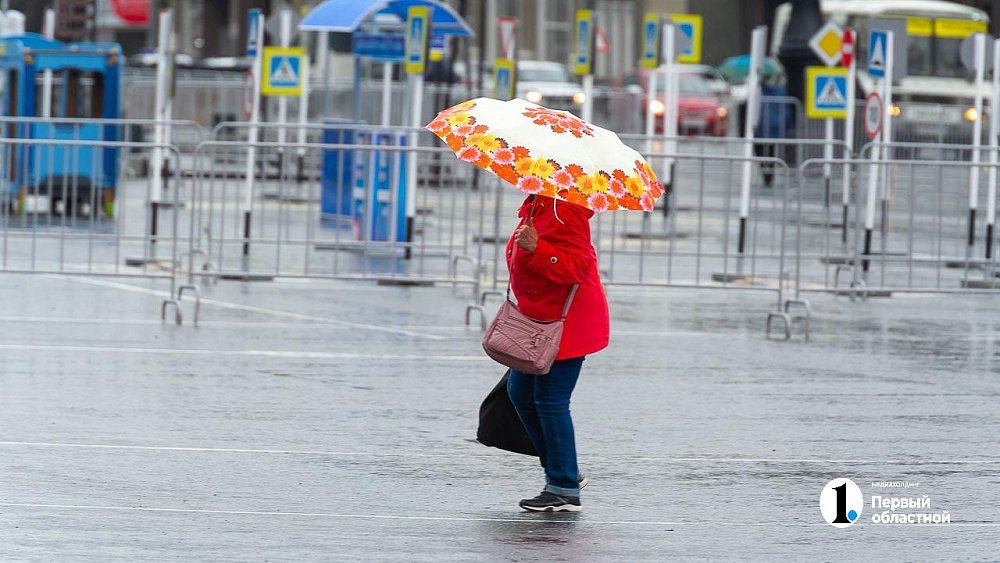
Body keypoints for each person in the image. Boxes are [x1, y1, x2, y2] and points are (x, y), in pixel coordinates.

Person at [505, 194, 610, 512]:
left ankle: (563, 486)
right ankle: (564, 469)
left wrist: (539, 249)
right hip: (539, 320)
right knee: (519, 392)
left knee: (550, 400)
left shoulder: (565, 211)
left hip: (568, 324)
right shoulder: (538, 205)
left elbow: (578, 268)